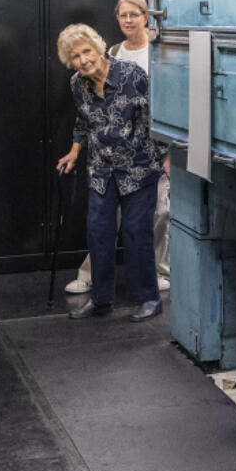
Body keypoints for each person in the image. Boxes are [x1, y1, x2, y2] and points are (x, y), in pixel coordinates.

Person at [56, 23, 164, 321]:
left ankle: (149, 299)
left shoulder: (132, 75)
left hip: (138, 167)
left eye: (87, 51)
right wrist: (75, 151)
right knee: (98, 233)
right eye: (75, 57)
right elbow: (83, 121)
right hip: (101, 169)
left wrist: (166, 159)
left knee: (135, 232)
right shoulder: (77, 83)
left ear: (99, 47)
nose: (83, 60)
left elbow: (157, 117)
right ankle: (101, 300)